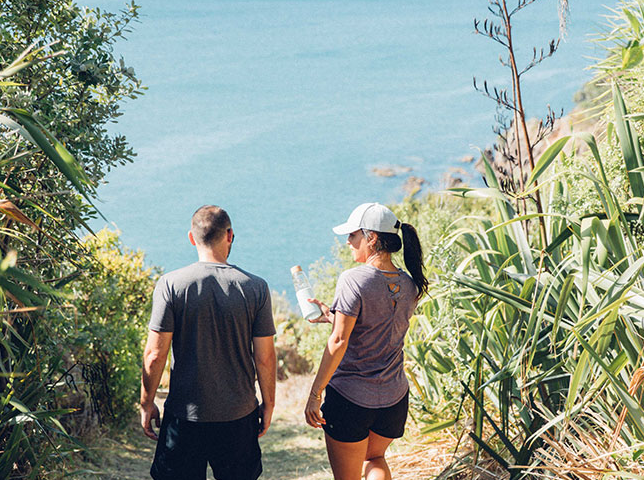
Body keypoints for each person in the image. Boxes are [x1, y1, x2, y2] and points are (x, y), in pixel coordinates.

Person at [140, 205, 277, 480]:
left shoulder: (171, 285)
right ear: (230, 235)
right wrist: (268, 403)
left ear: (192, 238)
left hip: (184, 416)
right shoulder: (256, 287)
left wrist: (147, 402)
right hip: (239, 415)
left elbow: (155, 354)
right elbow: (265, 358)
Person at [303, 202, 429, 480]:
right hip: (394, 399)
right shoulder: (410, 284)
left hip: (351, 400)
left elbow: (338, 341)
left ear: (371, 238)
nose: (348, 241)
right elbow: (378, 322)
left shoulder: (353, 279)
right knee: (375, 459)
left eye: (353, 235)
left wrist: (315, 394)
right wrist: (332, 315)